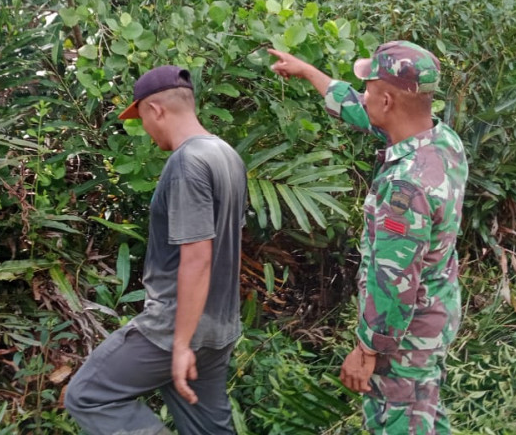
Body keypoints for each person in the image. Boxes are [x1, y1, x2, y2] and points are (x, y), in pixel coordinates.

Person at [268, 42, 467, 435]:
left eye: (371, 88)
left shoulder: (404, 188)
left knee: (400, 423)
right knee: (422, 415)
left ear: (389, 101)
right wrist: (308, 71)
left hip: (405, 338)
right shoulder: (443, 142)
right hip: (436, 317)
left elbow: (394, 280)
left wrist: (368, 350)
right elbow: (360, 108)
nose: (365, 96)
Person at [64, 65, 247, 435]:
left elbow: (198, 257)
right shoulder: (226, 154)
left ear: (155, 109)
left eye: (141, 118)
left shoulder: (187, 163)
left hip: (176, 328)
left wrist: (180, 345)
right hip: (220, 326)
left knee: (87, 395)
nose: (146, 130)